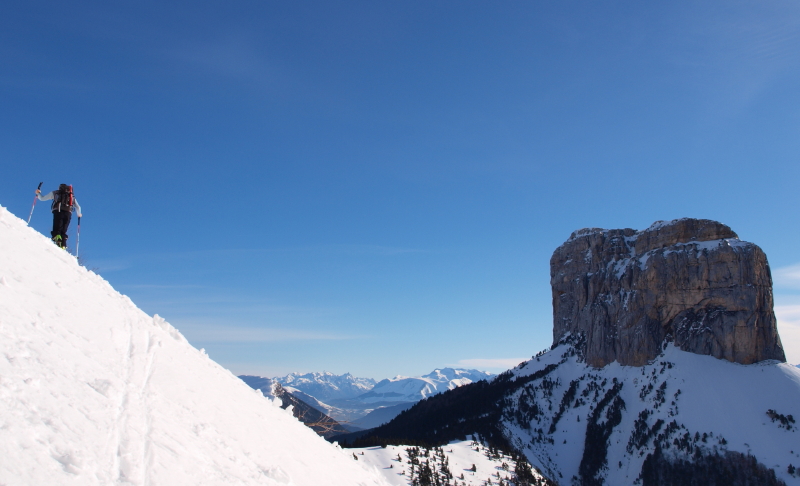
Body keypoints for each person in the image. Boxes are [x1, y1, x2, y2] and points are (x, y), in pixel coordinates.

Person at [35, 184, 82, 249]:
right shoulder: (71, 196)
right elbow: (78, 207)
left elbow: (42, 198)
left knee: (57, 227)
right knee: (64, 229)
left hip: (58, 211)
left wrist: (38, 193)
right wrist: (79, 214)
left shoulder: (55, 193)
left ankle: (57, 238)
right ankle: (63, 243)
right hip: (68, 213)